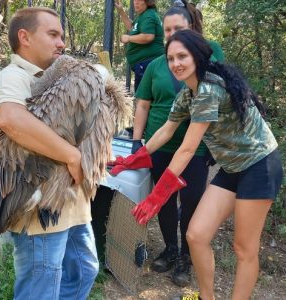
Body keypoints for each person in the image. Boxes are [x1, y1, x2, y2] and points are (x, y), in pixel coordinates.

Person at [110, 29, 283, 300]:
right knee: (197, 235)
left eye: (182, 56)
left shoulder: (207, 90)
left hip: (259, 166)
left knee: (244, 248)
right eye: (170, 58)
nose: (176, 63)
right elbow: (167, 130)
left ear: (198, 57)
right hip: (232, 168)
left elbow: (188, 148)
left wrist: (158, 194)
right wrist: (136, 156)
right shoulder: (188, 94)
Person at [0, 7, 99, 299]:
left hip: (72, 206)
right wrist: (72, 156)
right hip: (39, 210)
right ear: (24, 37)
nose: (61, 42)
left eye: (61, 35)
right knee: (42, 286)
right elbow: (10, 119)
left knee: (84, 270)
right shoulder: (13, 77)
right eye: (52, 34)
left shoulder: (58, 78)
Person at [131, 0, 225, 287]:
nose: (172, 34)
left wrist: (211, 145)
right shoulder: (158, 66)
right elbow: (145, 104)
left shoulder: (206, 64)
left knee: (193, 200)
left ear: (192, 29)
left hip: (195, 148)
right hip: (162, 146)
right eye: (167, 30)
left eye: (178, 28)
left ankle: (186, 255)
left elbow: (218, 102)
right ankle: (171, 248)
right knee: (167, 203)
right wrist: (138, 146)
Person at [115, 0, 164, 92]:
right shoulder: (143, 15)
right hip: (145, 65)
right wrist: (121, 11)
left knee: (142, 99)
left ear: (148, 2)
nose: (135, 2)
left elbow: (148, 36)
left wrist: (128, 38)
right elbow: (131, 27)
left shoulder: (148, 15)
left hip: (147, 64)